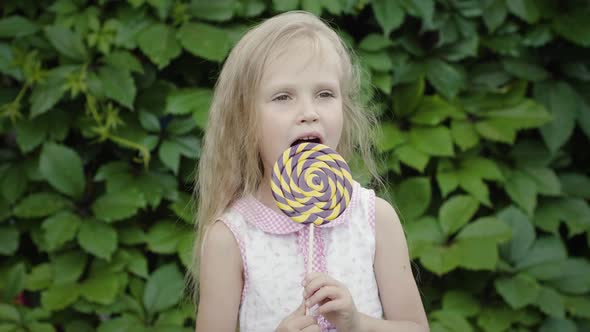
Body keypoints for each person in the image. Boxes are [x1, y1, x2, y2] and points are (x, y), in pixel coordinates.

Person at [190, 10, 429, 332]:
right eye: (283, 96)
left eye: (325, 94)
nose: (309, 112)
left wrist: (358, 324)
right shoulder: (231, 237)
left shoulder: (374, 219)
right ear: (243, 119)